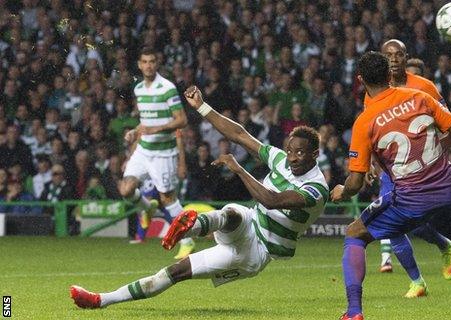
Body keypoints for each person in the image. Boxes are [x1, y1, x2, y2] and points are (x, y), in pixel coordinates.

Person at [69, 86, 329, 310]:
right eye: (290, 151)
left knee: (175, 272)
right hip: (250, 221)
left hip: (257, 252)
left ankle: (190, 228)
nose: (292, 158)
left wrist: (239, 170)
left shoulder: (316, 189)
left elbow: (272, 200)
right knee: (233, 214)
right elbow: (239, 135)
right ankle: (101, 299)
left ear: (315, 154)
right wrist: (202, 107)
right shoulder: (281, 160)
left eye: (300, 154)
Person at [332, 52, 451, 320]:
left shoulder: (365, 121)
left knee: (354, 233)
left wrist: (342, 190)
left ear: (360, 80)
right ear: (389, 74)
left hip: (410, 198)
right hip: (447, 190)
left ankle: (354, 312)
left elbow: (356, 182)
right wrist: (434, 146)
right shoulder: (420, 97)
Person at [371, 39, 451, 299]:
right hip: (391, 171)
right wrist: (371, 163)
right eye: (389, 55)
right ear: (382, 59)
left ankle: (444, 244)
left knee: (417, 223)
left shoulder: (425, 87)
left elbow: (449, 124)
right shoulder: (373, 91)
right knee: (393, 226)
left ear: (406, 58)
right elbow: (372, 132)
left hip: (423, 169)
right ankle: (417, 282)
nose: (394, 59)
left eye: (399, 54)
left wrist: (433, 152)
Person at [117, 47, 191, 259]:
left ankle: (188, 241)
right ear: (139, 65)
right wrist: (135, 131)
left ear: (157, 64)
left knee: (168, 199)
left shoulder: (167, 87)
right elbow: (146, 121)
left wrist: (154, 129)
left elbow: (182, 120)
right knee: (126, 189)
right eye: (144, 62)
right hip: (144, 149)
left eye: (152, 61)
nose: (148, 65)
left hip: (163, 153)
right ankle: (147, 209)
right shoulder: (139, 88)